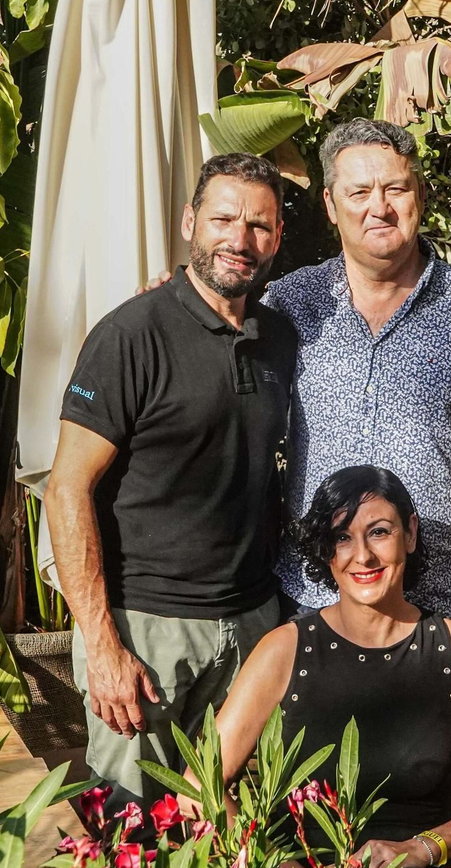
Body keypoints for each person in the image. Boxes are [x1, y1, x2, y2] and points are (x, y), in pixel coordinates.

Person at [43, 153, 295, 819]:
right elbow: (66, 489)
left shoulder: (280, 337)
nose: (240, 239)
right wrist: (102, 647)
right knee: (129, 832)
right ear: (189, 222)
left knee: (233, 833)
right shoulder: (131, 334)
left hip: (253, 625)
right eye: (223, 219)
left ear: (277, 238)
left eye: (259, 225)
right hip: (147, 631)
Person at [269, 119, 451, 669]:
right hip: (312, 603)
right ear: (330, 205)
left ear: (419, 194)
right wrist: (170, 292)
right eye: (359, 192)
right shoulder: (289, 305)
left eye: (395, 188)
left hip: (439, 612)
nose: (379, 207)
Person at [189, 465, 451, 868]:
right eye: (342, 537)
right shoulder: (284, 650)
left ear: (410, 533)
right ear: (326, 551)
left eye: (379, 532)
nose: (363, 556)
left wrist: (422, 848)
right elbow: (199, 783)